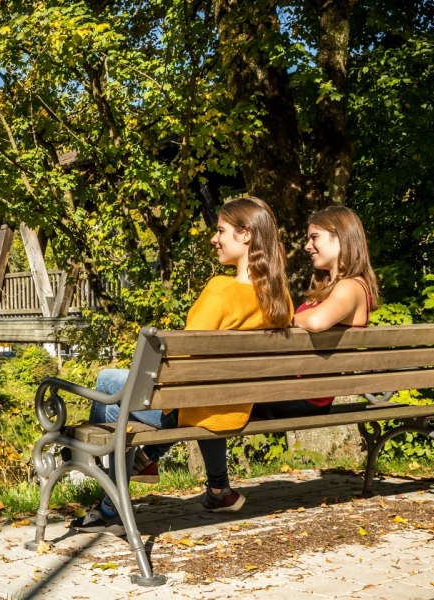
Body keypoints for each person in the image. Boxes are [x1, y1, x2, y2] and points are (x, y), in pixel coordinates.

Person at [74, 196, 293, 532]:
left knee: (108, 384)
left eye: (221, 231)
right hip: (234, 408)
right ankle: (209, 486)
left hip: (196, 407)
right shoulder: (280, 299)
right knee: (157, 393)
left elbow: (181, 364)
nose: (213, 238)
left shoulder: (221, 290)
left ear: (245, 235)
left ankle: (110, 503)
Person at [253, 205, 380, 419]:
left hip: (305, 398)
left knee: (212, 400)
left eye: (314, 238)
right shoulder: (335, 287)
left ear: (341, 238)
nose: (307, 246)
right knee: (211, 401)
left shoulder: (351, 286)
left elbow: (316, 321)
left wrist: (274, 319)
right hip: (295, 391)